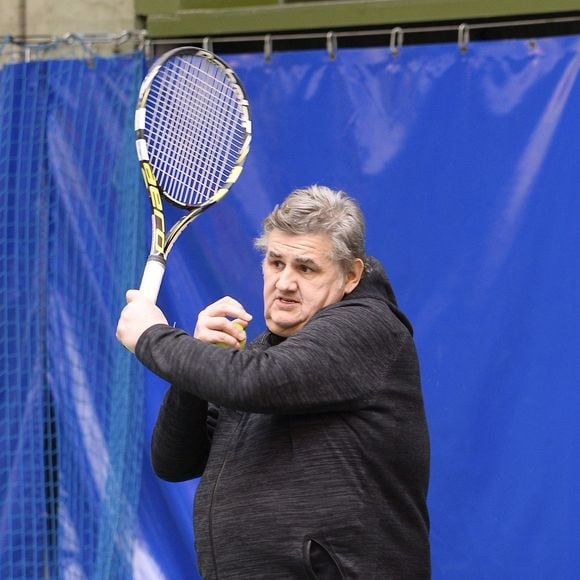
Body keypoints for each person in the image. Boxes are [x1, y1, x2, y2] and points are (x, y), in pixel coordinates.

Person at [116, 185, 431, 579]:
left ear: (351, 275)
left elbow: (257, 382)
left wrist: (153, 336)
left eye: (305, 268)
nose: (284, 282)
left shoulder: (368, 327)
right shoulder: (262, 356)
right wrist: (195, 369)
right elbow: (174, 461)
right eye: (275, 262)